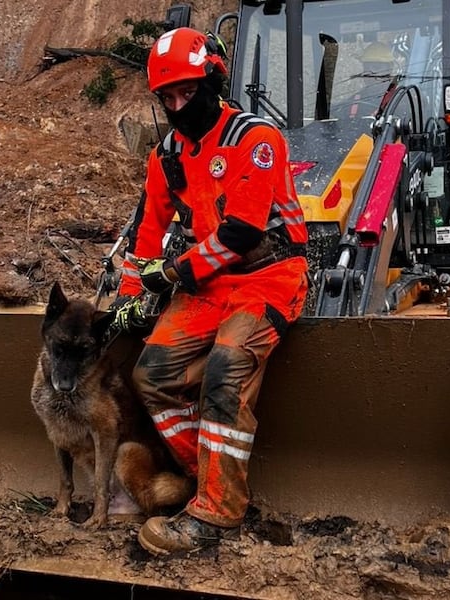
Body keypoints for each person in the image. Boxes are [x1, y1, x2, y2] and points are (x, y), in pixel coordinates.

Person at [110, 27, 309, 556]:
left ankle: (219, 513)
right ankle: (208, 477)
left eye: (187, 93)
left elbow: (241, 232)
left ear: (213, 82)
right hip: (209, 284)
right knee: (151, 375)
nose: (178, 106)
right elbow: (146, 234)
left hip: (268, 277)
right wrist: (130, 293)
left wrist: (170, 275)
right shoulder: (166, 156)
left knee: (225, 369)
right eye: (167, 98)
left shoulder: (255, 140)